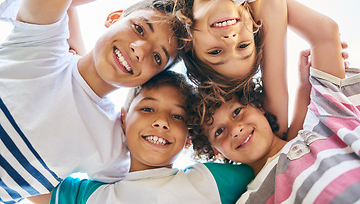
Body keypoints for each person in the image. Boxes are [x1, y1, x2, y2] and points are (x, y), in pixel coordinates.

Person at [0, 0, 188, 202]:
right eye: (139, 28)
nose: (140, 51)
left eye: (157, 58)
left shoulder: (111, 147)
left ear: (152, 78)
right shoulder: (41, 44)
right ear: (113, 18)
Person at [70, 0, 289, 138]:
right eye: (244, 46)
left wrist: (77, 60)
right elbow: (276, 120)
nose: (231, 40)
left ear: (189, 41)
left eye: (215, 52)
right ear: (254, 25)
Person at [189, 0, 360, 203]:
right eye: (218, 132)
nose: (235, 129)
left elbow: (325, 33)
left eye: (237, 112)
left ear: (258, 106)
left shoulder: (325, 119)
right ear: (216, 152)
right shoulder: (250, 200)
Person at [28, 70, 255, 204]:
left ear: (188, 139)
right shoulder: (88, 195)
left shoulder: (211, 180)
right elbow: (20, 171)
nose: (162, 122)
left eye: (177, 116)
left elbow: (277, 160)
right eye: (147, 109)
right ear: (123, 119)